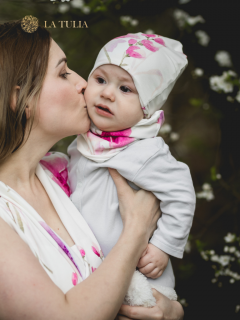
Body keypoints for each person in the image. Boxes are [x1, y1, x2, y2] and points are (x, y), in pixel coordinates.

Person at [0, 20, 184, 319]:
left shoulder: (63, 173)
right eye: (62, 73)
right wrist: (137, 229)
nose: (83, 83)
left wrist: (172, 311)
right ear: (19, 99)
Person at [67, 33, 196, 305]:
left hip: (139, 274)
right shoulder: (85, 139)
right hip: (92, 270)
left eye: (125, 89)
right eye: (100, 80)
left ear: (147, 108)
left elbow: (182, 194)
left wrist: (162, 245)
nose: (107, 93)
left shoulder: (145, 151)